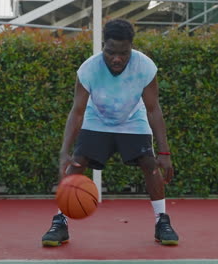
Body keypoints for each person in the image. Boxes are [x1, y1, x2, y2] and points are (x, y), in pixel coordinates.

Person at [42, 18, 179, 247]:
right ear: (104, 45)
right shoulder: (88, 69)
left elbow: (154, 110)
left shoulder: (145, 67)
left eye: (123, 53)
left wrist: (164, 153)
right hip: (97, 120)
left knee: (149, 162)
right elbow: (77, 112)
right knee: (76, 163)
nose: (116, 58)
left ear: (131, 47)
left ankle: (161, 220)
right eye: (110, 52)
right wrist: (64, 152)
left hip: (133, 120)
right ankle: (60, 222)